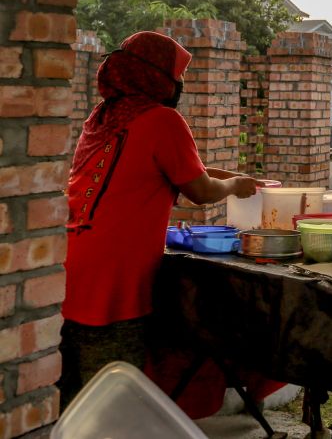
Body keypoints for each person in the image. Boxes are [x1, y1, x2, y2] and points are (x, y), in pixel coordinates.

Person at [59, 31, 258, 409]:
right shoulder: (163, 120)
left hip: (69, 270)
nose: (179, 84)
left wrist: (216, 174)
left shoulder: (103, 117)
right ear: (158, 77)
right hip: (113, 283)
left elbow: (168, 170)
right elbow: (199, 192)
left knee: (67, 398)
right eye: (176, 75)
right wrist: (232, 185)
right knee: (109, 400)